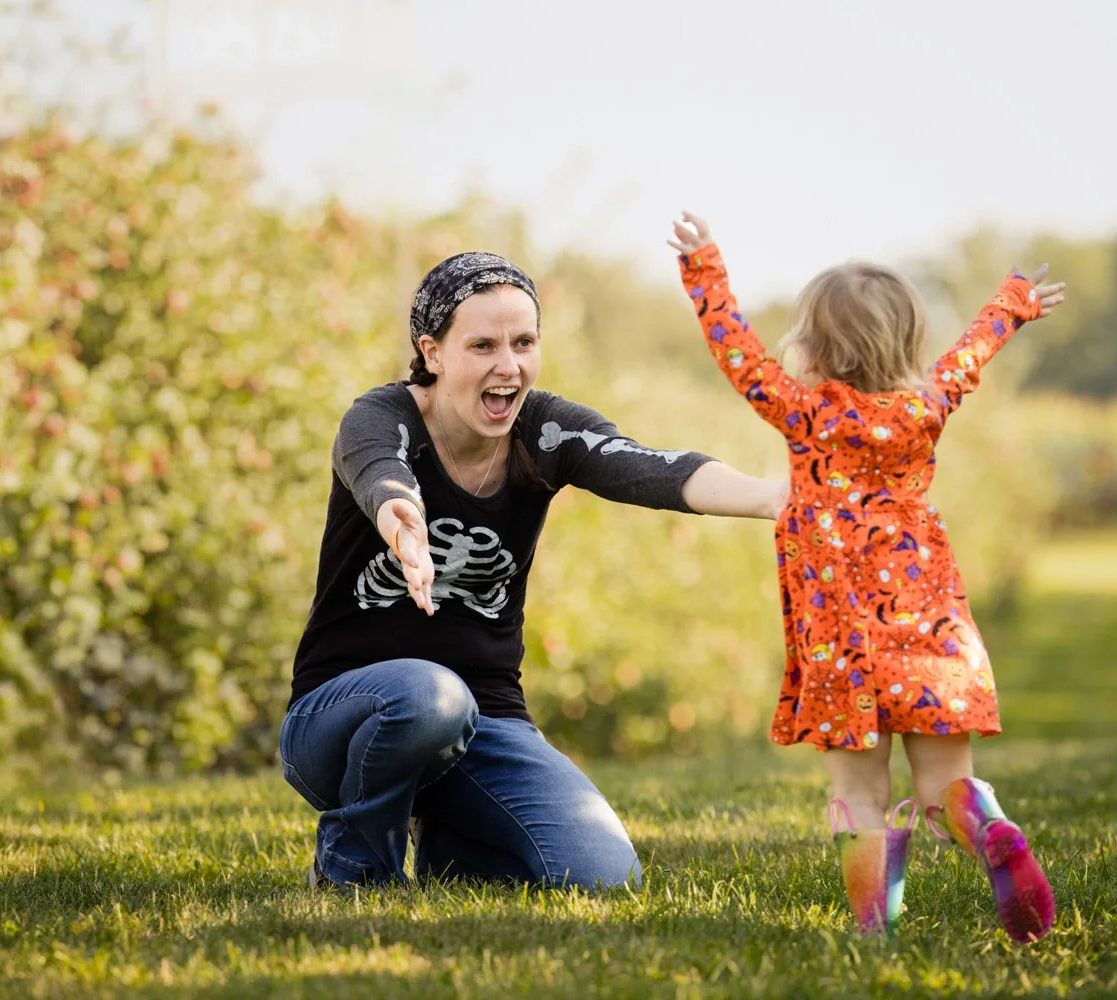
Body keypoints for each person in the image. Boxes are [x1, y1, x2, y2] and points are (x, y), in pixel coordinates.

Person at [281, 249, 785, 890]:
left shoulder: (542, 432)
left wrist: (777, 499)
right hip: (340, 719)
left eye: (524, 342)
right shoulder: (382, 417)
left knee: (606, 877)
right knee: (433, 695)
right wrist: (399, 517)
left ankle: (449, 840)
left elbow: (651, 467)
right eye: (483, 345)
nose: (508, 366)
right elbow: (379, 468)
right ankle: (356, 872)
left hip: (484, 723)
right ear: (432, 353)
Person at [667, 212, 1063, 942]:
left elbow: (738, 355)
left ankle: (876, 926)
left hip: (841, 644)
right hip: (933, 634)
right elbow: (966, 361)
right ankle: (990, 827)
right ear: (904, 342)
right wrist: (1011, 304)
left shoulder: (800, 411)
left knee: (858, 791)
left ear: (814, 348)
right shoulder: (926, 407)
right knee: (946, 786)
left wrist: (704, 270)